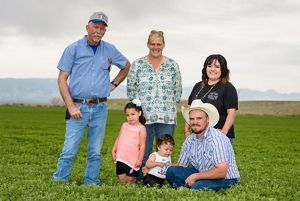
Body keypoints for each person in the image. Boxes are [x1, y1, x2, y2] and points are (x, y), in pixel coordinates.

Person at [52, 11, 131, 185]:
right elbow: (62, 79)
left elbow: (126, 66)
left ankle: (91, 182)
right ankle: (59, 181)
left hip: (100, 107)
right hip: (78, 107)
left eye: (102, 28)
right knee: (69, 149)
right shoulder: (73, 48)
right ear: (87, 27)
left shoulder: (109, 49)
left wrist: (114, 84)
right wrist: (71, 106)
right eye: (95, 27)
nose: (99, 31)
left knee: (95, 150)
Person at [127, 30, 182, 175]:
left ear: (163, 45)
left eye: (159, 44)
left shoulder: (172, 65)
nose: (156, 47)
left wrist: (166, 104)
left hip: (166, 117)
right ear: (148, 44)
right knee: (143, 150)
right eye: (153, 44)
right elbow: (131, 91)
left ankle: (163, 178)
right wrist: (137, 112)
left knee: (165, 151)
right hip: (145, 117)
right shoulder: (137, 65)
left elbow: (178, 92)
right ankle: (141, 179)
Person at [166, 99, 240, 191]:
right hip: (202, 173)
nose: (195, 122)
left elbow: (221, 171)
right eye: (192, 119)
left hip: (225, 178)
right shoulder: (189, 140)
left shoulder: (216, 138)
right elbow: (182, 165)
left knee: (197, 186)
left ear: (207, 119)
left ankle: (189, 186)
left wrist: (195, 176)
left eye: (199, 118)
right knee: (171, 171)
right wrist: (163, 166)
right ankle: (190, 186)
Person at [184, 54, 238, 144]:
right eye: (209, 66)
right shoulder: (198, 86)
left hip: (219, 137)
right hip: (197, 136)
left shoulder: (228, 88)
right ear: (205, 68)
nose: (212, 69)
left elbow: (231, 112)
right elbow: (190, 110)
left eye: (217, 67)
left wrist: (224, 132)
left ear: (223, 69)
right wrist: (186, 131)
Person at [111, 99, 147, 184]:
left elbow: (142, 146)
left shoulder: (141, 129)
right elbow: (118, 138)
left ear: (139, 113)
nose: (130, 117)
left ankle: (130, 193)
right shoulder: (124, 125)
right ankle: (122, 194)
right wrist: (113, 150)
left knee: (130, 180)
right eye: (127, 115)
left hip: (133, 159)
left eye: (132, 114)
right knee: (122, 179)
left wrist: (140, 159)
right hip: (121, 156)